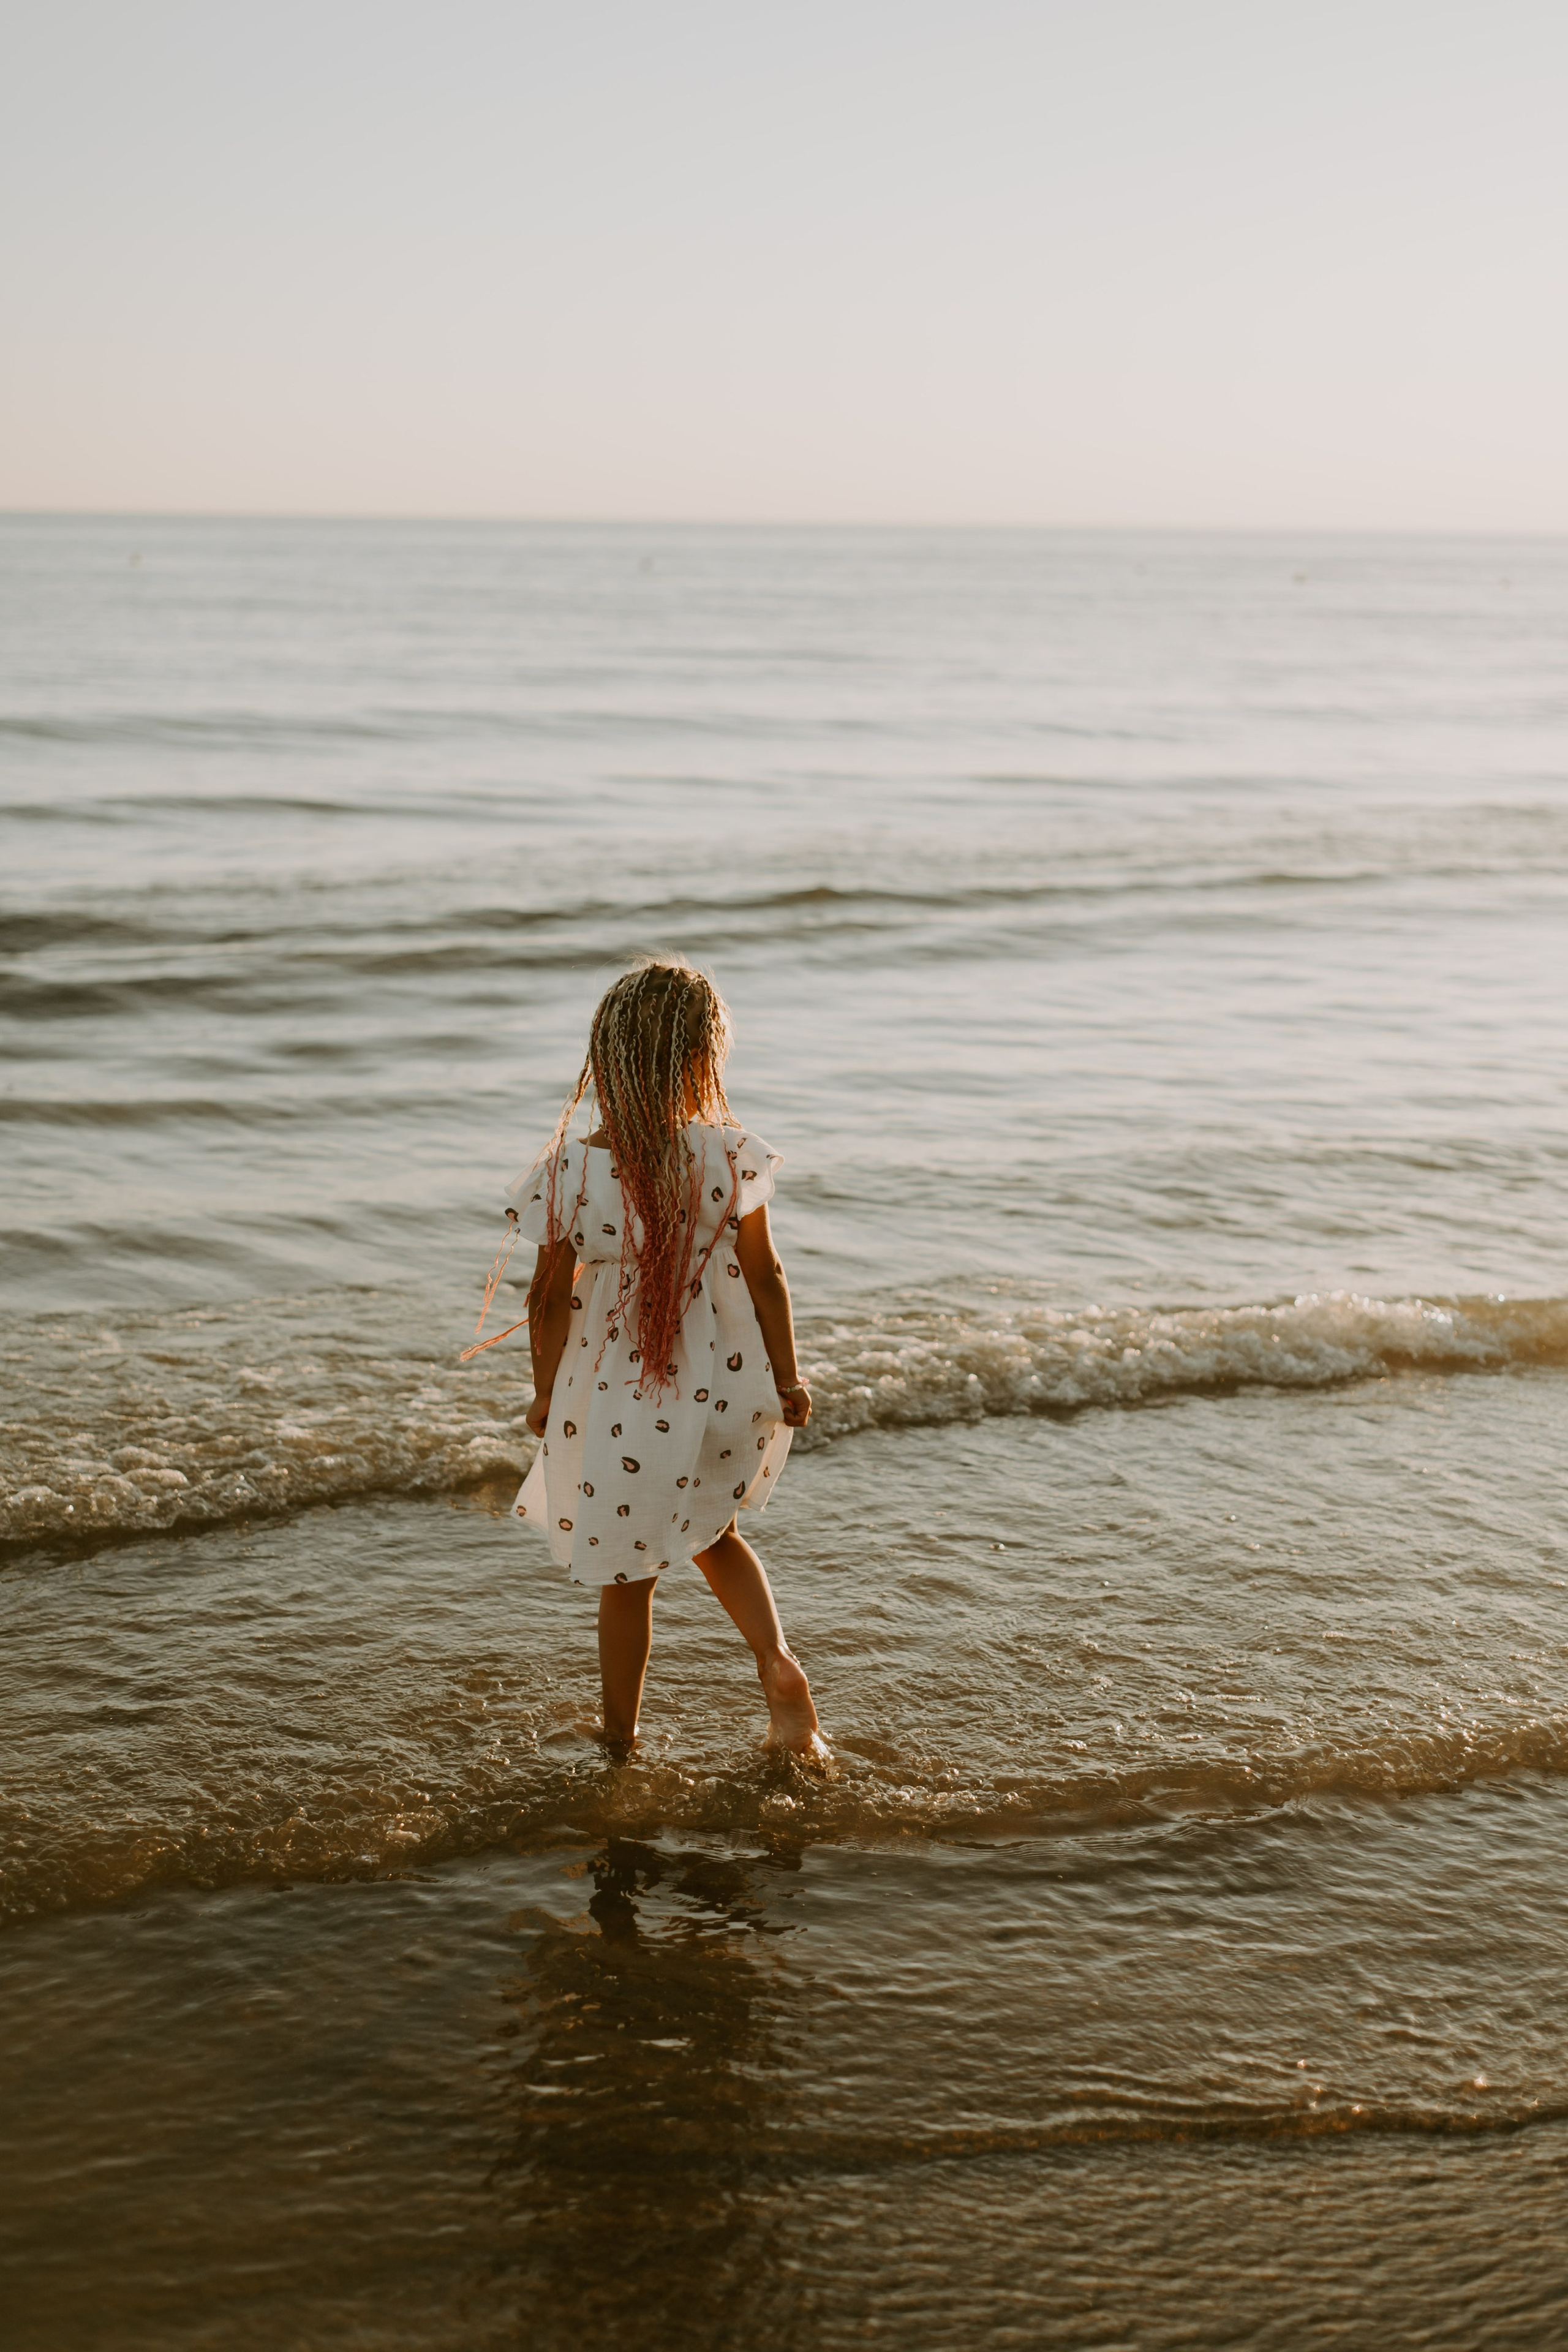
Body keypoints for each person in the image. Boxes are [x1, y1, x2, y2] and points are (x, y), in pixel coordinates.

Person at [503, 959, 826, 1758]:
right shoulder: (725, 1154)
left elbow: (544, 1299)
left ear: (607, 1059)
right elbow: (766, 1277)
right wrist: (787, 1378)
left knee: (626, 1579)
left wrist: (544, 1394)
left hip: (616, 1403)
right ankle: (777, 1664)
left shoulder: (571, 1170)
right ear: (700, 1060)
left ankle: (620, 1740)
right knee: (715, 1532)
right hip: (717, 1385)